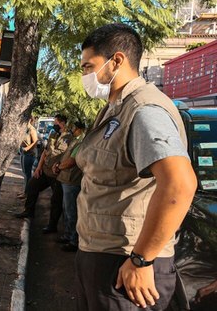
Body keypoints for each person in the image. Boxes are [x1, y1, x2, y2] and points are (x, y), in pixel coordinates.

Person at [74, 24, 196, 310]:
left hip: (125, 265)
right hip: (101, 256)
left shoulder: (145, 110)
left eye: (88, 66)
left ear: (116, 60)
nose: (84, 76)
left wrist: (142, 259)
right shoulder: (115, 108)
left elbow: (179, 184)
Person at [15, 114, 72, 236]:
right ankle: (29, 211)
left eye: (56, 122)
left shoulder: (69, 137)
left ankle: (52, 226)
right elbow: (45, 152)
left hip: (57, 175)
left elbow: (67, 156)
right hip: (45, 171)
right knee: (31, 186)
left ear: (62, 123)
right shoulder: (53, 134)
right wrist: (38, 168)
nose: (54, 125)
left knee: (56, 201)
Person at [52, 121, 85, 252]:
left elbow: (71, 161)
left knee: (72, 212)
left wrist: (59, 167)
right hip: (66, 179)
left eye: (74, 127)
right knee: (67, 211)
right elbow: (66, 156)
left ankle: (73, 240)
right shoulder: (75, 140)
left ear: (80, 129)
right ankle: (68, 235)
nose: (72, 129)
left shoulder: (81, 142)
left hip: (72, 181)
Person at [17, 114, 38, 198]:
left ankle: (27, 193)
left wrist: (27, 149)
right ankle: (25, 191)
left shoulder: (31, 129)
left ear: (29, 119)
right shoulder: (24, 128)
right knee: (25, 174)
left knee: (27, 174)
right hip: (23, 153)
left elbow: (35, 142)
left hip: (29, 154)